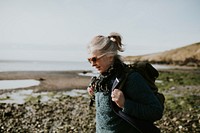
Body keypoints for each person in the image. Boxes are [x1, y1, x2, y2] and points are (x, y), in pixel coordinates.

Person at [86, 32, 164, 133]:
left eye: (94, 59)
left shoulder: (131, 78)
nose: (92, 64)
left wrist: (124, 104)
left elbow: (155, 111)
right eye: (89, 60)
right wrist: (94, 94)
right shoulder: (102, 79)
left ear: (110, 56)